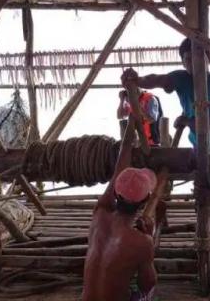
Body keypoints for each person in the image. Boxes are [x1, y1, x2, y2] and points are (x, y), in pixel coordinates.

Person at [82, 120, 165, 301]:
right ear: (144, 201)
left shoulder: (100, 214)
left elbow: (118, 171)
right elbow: (147, 284)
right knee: (149, 295)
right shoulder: (141, 242)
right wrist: (150, 238)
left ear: (117, 194)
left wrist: (131, 124)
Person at [120, 38, 210, 154]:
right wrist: (138, 80)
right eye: (188, 59)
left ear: (209, 59)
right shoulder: (181, 79)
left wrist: (185, 121)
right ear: (183, 63)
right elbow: (157, 79)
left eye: (199, 57)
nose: (194, 62)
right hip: (198, 145)